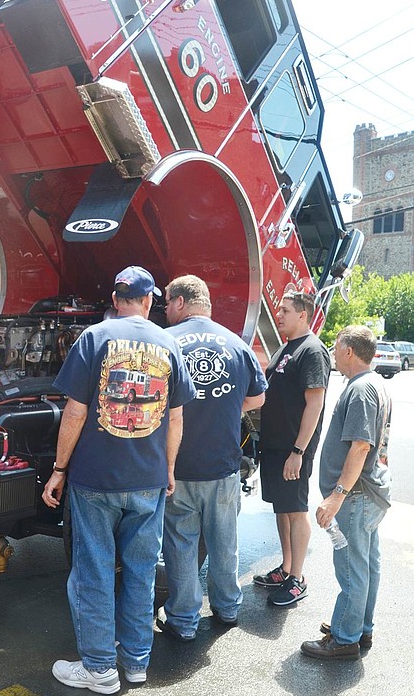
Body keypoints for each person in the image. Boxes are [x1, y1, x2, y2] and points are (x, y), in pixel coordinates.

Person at [42, 265, 196, 694]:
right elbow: (176, 418)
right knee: (141, 572)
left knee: (93, 572)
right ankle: (136, 662)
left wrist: (58, 469)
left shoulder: (92, 339)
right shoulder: (169, 344)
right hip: (148, 479)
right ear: (150, 301)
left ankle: (98, 668)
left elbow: (75, 411)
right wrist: (168, 469)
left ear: (115, 299)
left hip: (95, 481)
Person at [157, 275, 267, 640]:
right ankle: (227, 608)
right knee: (225, 541)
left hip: (179, 466)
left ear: (180, 303)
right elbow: (258, 398)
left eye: (168, 303)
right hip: (223, 466)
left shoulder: (166, 342)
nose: (165, 310)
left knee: (181, 545)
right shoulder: (236, 343)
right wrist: (227, 409)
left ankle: (184, 620)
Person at [301, 325, 391, 660]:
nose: (333, 354)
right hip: (369, 494)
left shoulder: (362, 389)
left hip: (356, 496)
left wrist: (336, 494)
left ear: (349, 351)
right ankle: (358, 627)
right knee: (365, 565)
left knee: (353, 569)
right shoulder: (373, 384)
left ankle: (345, 638)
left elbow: (361, 447)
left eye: (336, 348)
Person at [253, 290, 330, 606]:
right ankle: (285, 568)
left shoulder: (312, 351)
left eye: (285, 310)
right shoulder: (287, 348)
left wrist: (298, 451)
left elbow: (315, 403)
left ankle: (297, 578)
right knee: (281, 509)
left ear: (303, 314)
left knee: (296, 511)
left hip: (292, 450)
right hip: (274, 447)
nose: (279, 314)